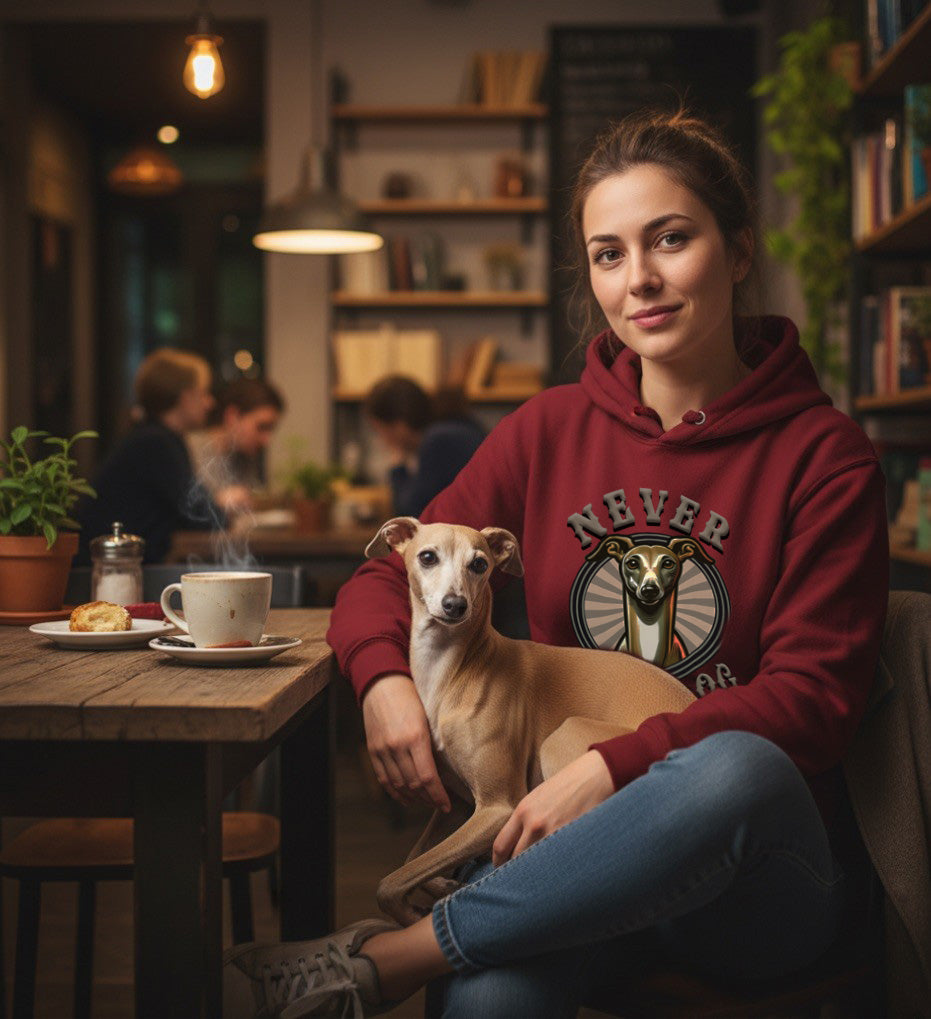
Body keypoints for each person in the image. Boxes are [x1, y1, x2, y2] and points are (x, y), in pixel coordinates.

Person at [224, 109, 889, 1018]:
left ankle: (389, 958)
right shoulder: (547, 431)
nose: (640, 279)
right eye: (608, 253)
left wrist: (616, 764)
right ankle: (415, 960)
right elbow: (388, 574)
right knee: (489, 1003)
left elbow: (811, 702)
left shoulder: (825, 456)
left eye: (671, 239)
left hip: (756, 882)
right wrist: (382, 680)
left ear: (737, 252)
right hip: (566, 872)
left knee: (738, 765)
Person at [77, 347, 226, 564]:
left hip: (123, 565)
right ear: (185, 398)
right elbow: (204, 517)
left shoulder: (153, 437)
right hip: (108, 572)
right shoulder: (156, 443)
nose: (210, 402)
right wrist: (223, 506)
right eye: (204, 393)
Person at [364, 376, 485, 517]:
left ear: (399, 425)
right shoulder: (454, 428)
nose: (381, 440)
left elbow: (410, 516)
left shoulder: (439, 440)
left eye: (379, 430)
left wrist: (398, 466)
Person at [187, 377, 285, 516]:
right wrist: (217, 503)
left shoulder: (244, 457)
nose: (266, 440)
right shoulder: (188, 450)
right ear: (233, 416)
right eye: (261, 427)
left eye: (270, 430)